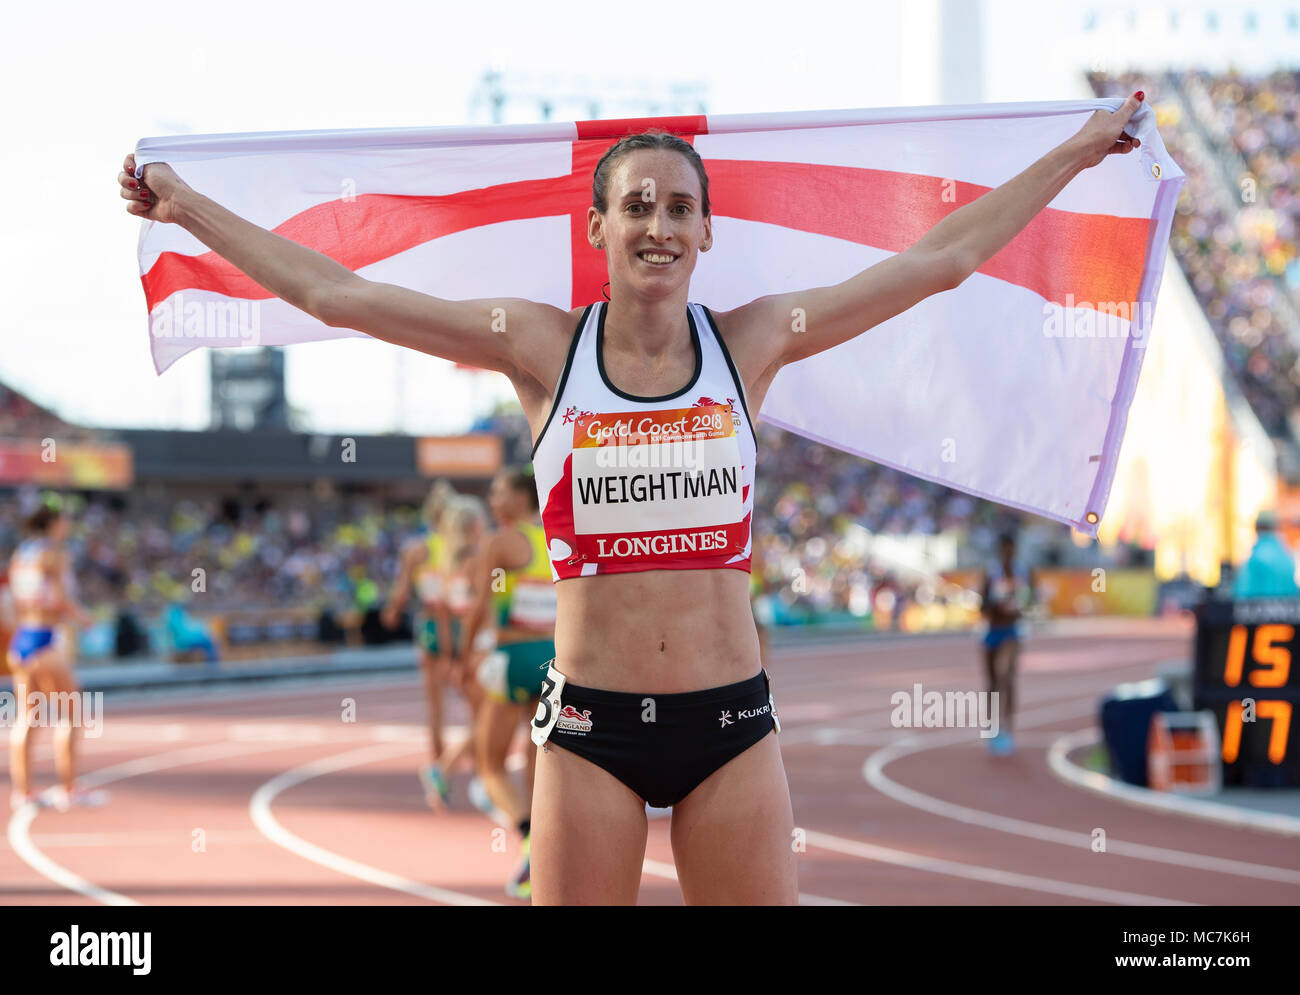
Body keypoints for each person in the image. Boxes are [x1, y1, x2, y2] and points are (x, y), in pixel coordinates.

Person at [119, 91, 1145, 903]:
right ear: (597, 225)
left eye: (679, 206)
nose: (659, 223)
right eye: (638, 204)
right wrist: (188, 208)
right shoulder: (535, 345)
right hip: (589, 732)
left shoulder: (752, 340)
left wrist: (1080, 147)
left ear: (706, 233)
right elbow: (339, 294)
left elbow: (944, 257)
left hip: (730, 725)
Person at [459, 466, 557, 900]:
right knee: (537, 761)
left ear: (521, 497)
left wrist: (463, 656)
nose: (493, 499)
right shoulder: (551, 537)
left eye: (500, 492)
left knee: (490, 765)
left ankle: (527, 836)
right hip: (550, 657)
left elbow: (481, 603)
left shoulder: (499, 541)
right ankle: (546, 858)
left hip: (514, 656)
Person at [6, 501, 105, 811]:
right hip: (46, 639)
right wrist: (85, 619)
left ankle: (22, 792)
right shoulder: (55, 553)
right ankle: (70, 788)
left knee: (28, 717)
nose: (68, 524)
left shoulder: (22, 554)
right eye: (65, 519)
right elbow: (61, 599)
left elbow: (15, 600)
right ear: (54, 523)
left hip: (23, 638)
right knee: (71, 713)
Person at [382, 481, 459, 806]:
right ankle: (458, 769)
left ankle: (441, 772)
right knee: (479, 703)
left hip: (429, 625)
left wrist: (393, 612)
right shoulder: (463, 546)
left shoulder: (417, 549)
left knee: (436, 705)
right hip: (462, 624)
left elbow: (400, 595)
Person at [979, 531, 1035, 756]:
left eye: (1010, 549)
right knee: (992, 682)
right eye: (1003, 549)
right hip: (991, 631)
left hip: (1012, 631)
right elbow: (982, 606)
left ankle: (1008, 729)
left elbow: (1032, 599)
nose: (1007, 554)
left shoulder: (1023, 572)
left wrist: (1017, 606)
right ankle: (994, 728)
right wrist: (995, 606)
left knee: (1007, 675)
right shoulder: (991, 573)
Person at [1232, 510, 1299, 599]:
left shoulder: (1253, 558)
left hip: (1256, 611)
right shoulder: (1287, 556)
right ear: (1276, 528)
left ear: (1257, 528)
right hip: (1286, 611)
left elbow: (1241, 594)